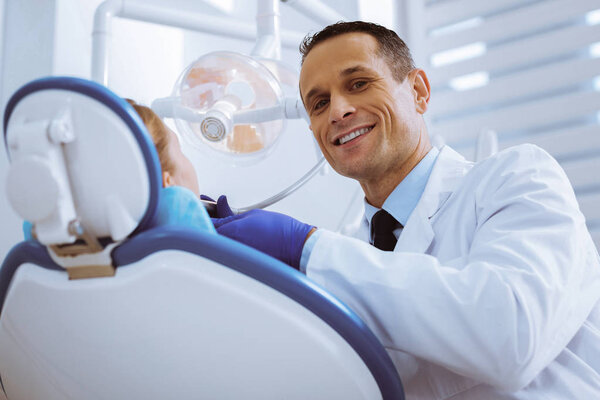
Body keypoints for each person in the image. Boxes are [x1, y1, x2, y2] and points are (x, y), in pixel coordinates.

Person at [211, 21, 600, 398]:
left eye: (358, 84)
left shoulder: (517, 177)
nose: (337, 111)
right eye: (319, 102)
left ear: (418, 91)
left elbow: (512, 336)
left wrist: (306, 247)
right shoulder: (346, 253)